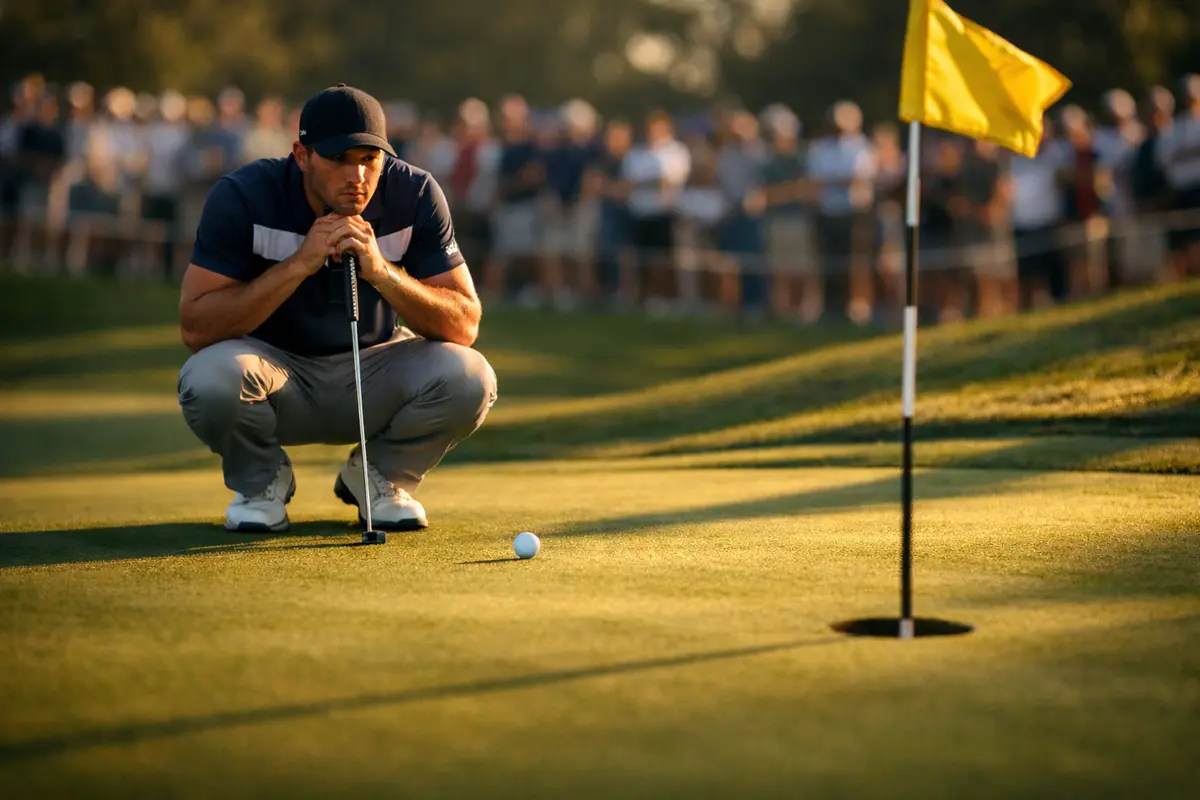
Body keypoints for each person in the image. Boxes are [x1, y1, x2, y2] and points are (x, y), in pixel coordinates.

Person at [176, 84, 498, 533]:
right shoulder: (245, 194)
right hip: (273, 369)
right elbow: (196, 327)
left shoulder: (415, 193)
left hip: (376, 370)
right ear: (302, 155)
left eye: (369, 159)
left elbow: (465, 322)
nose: (357, 177)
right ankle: (261, 482)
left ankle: (377, 476)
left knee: (471, 376)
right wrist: (299, 265)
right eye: (339, 159)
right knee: (208, 378)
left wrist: (383, 273)